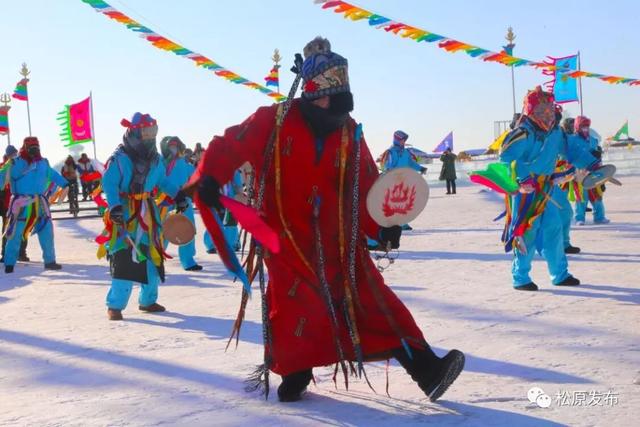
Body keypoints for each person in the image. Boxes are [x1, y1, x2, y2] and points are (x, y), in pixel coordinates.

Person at [188, 37, 464, 403]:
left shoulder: (350, 132)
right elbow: (229, 144)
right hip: (286, 238)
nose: (332, 108)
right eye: (325, 99)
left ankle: (427, 369)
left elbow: (366, 187)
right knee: (295, 308)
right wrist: (209, 176)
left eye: (339, 101)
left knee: (374, 301)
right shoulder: (273, 120)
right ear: (310, 95)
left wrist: (381, 227)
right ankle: (296, 370)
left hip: (340, 242)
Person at [499, 87, 601, 291]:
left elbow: (571, 149)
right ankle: (520, 277)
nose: (546, 113)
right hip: (526, 191)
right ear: (531, 110)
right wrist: (522, 177)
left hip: (547, 187)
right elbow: (507, 159)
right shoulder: (522, 133)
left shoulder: (556, 132)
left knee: (553, 228)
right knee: (526, 231)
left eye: (548, 108)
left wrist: (592, 164)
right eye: (540, 109)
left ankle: (560, 274)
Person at [100, 113, 188, 320]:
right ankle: (115, 305)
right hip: (126, 212)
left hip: (148, 214)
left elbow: (163, 181)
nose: (150, 137)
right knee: (124, 258)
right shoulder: (120, 158)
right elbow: (109, 183)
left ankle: (148, 300)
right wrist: (114, 207)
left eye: (153, 132)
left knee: (152, 257)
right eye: (146, 132)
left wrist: (179, 195)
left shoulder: (156, 160)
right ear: (135, 132)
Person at [1, 137, 68, 273]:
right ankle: (9, 263)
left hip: (40, 204)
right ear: (25, 147)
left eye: (36, 146)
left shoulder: (43, 163)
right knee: (14, 234)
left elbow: (52, 174)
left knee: (47, 232)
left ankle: (50, 261)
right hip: (21, 205)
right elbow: (3, 176)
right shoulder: (15, 163)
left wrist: (65, 183)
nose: (34, 149)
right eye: (31, 146)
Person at [158, 136, 202, 271]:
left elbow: (195, 178)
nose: (173, 149)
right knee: (163, 230)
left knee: (187, 230)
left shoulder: (184, 164)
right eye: (171, 146)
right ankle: (157, 259)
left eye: (175, 146)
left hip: (183, 201)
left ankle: (188, 261)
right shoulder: (161, 163)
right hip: (165, 201)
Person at [570, 116, 610, 225]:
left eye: (587, 126)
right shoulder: (572, 139)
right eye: (583, 126)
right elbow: (570, 156)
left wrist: (598, 158)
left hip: (594, 171)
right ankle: (579, 218)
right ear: (578, 127)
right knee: (581, 196)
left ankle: (599, 217)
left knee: (597, 194)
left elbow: (598, 156)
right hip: (579, 172)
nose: (585, 129)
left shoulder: (593, 140)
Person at [1, 145, 29, 263]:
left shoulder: (20, 165)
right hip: (8, 204)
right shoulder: (4, 167)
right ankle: (9, 253)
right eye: (13, 154)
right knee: (11, 229)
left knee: (20, 228)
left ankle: (20, 253)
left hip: (17, 202)